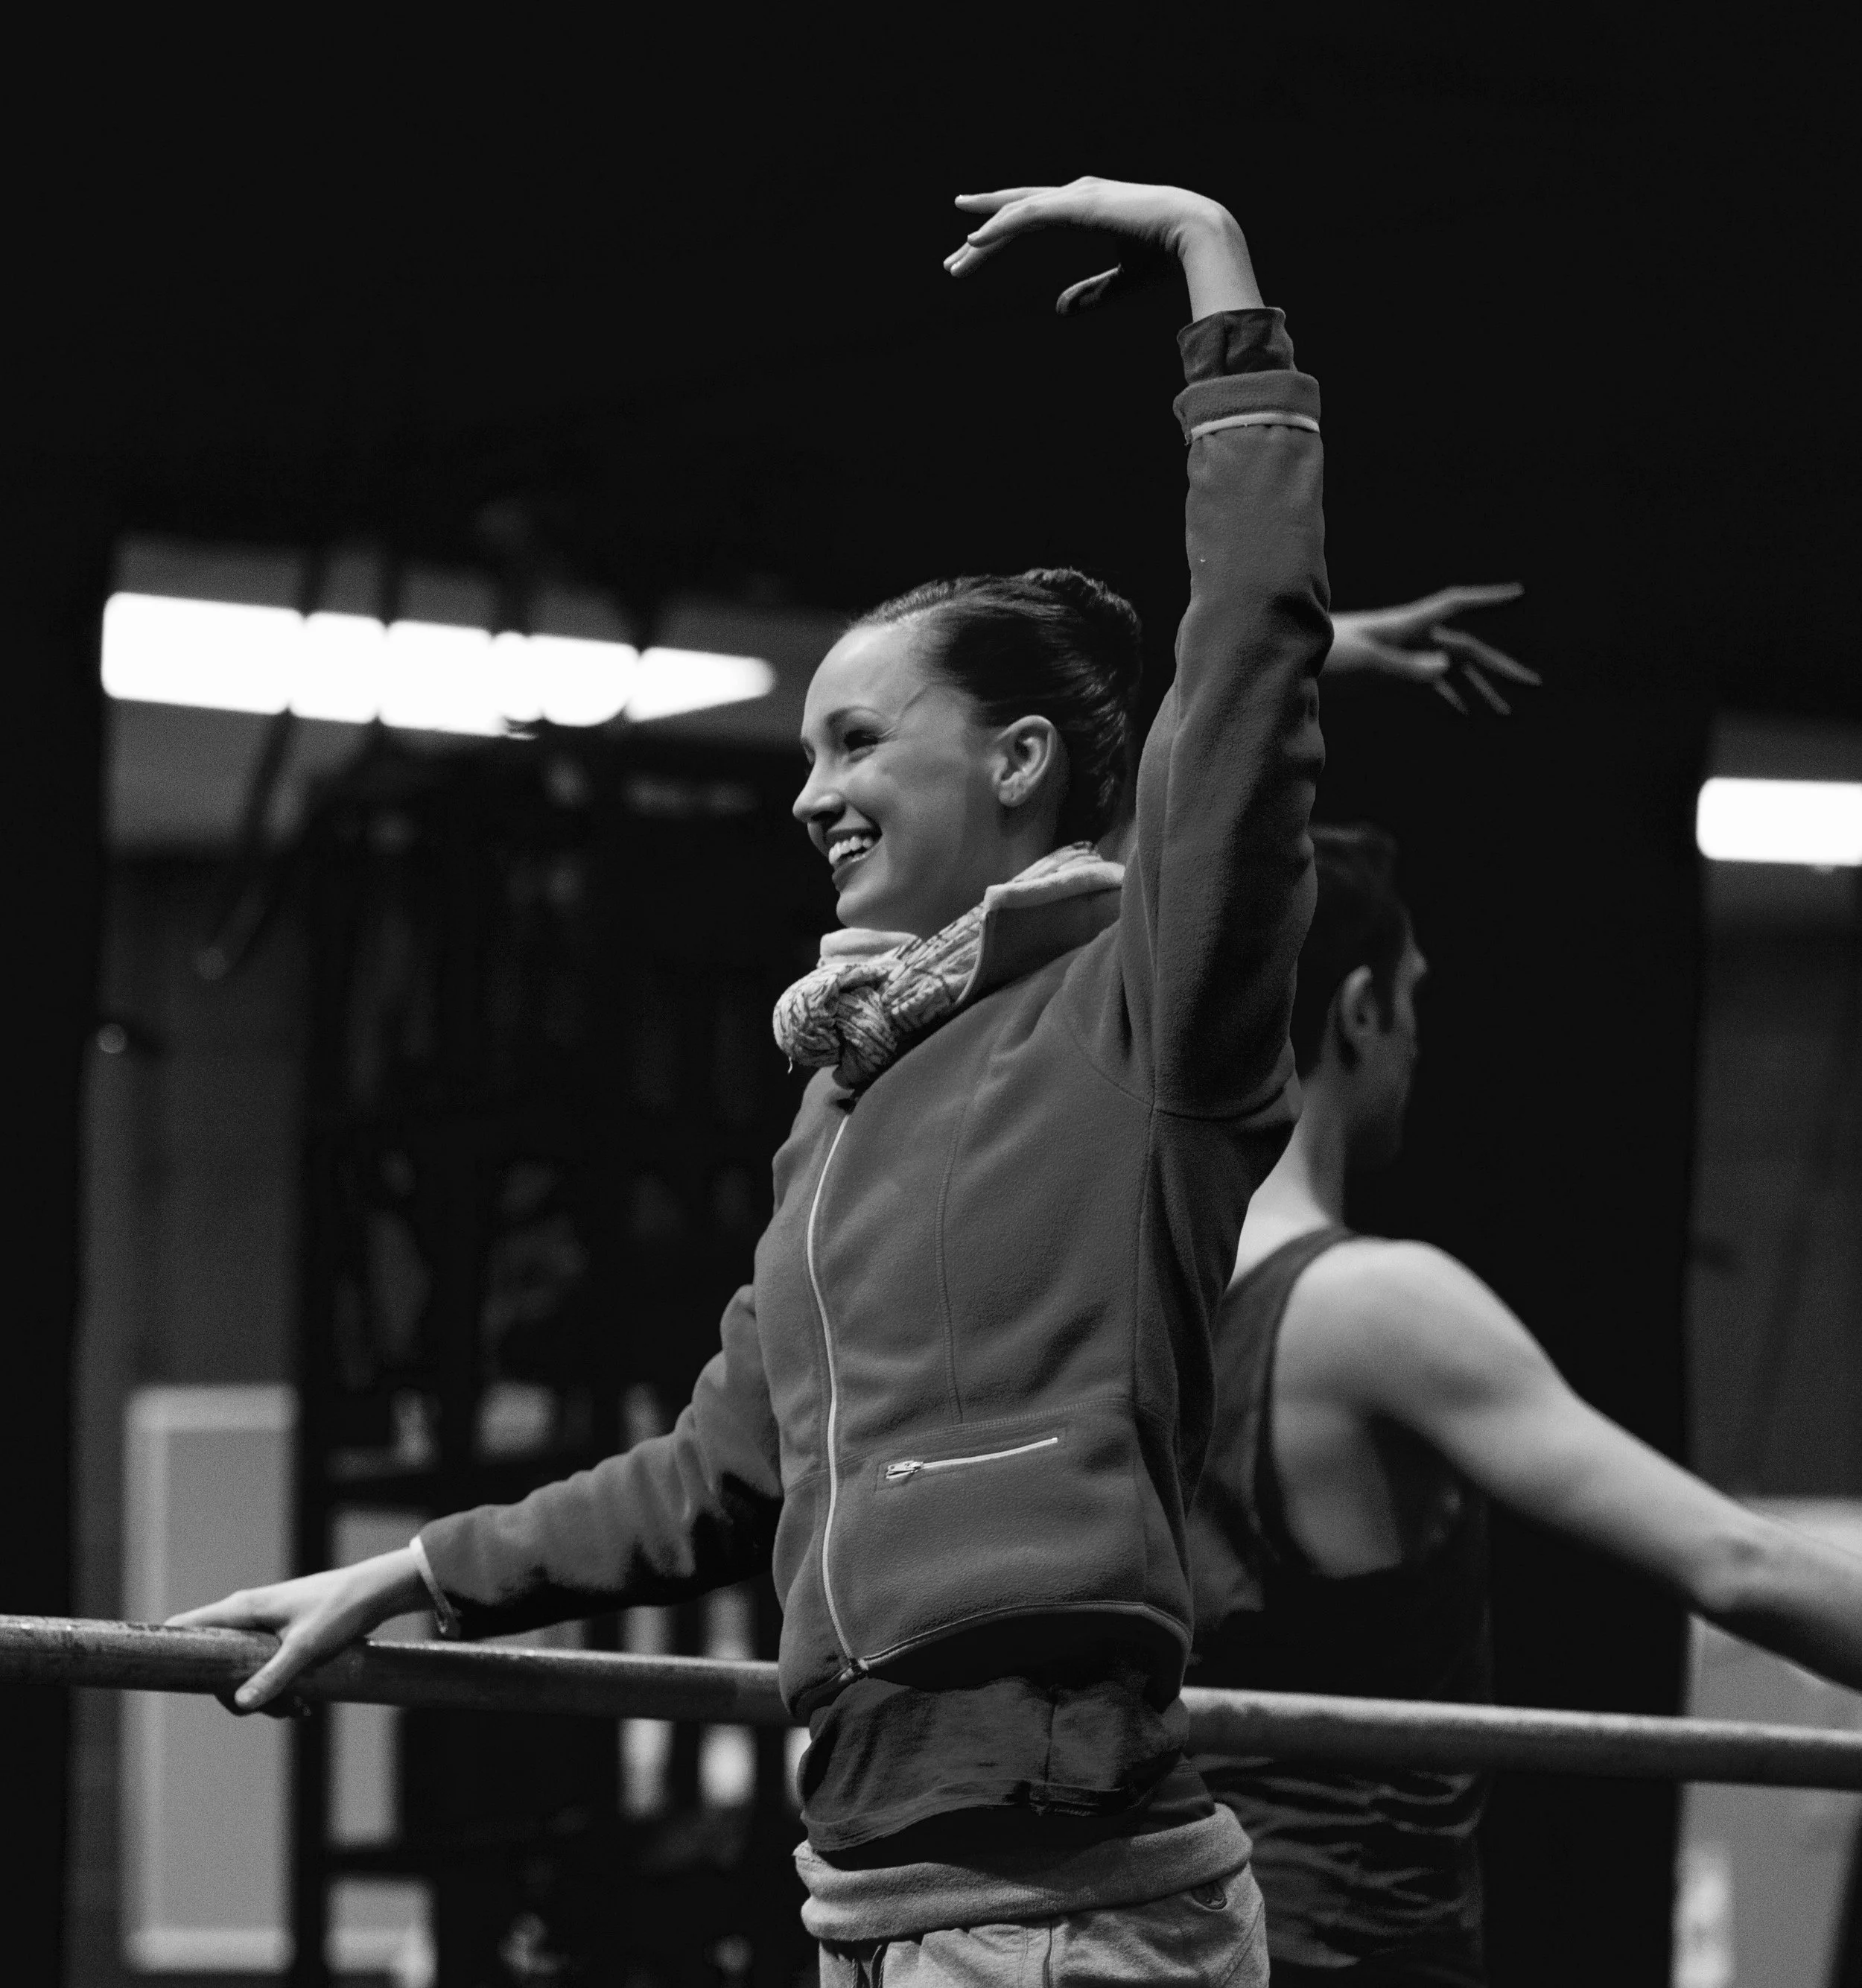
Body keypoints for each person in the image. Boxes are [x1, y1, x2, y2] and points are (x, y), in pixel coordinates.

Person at [174, 177, 1329, 1987]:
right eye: (805, 746)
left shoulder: (1141, 1012)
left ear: (1021, 759)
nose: (808, 792)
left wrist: (1210, 271)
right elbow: (721, 1463)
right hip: (871, 1909)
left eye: (858, 737)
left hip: (1065, 1916)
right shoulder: (844, 1094)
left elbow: (1247, 673)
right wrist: (408, 1575)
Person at [1187, 823, 1862, 1987]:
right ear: (1358, 1014)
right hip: (1341, 1955)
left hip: (1164, 1944)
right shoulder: (1375, 1306)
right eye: (1413, 1005)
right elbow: (1731, 1563)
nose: (1417, 1044)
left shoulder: (1127, 1296)